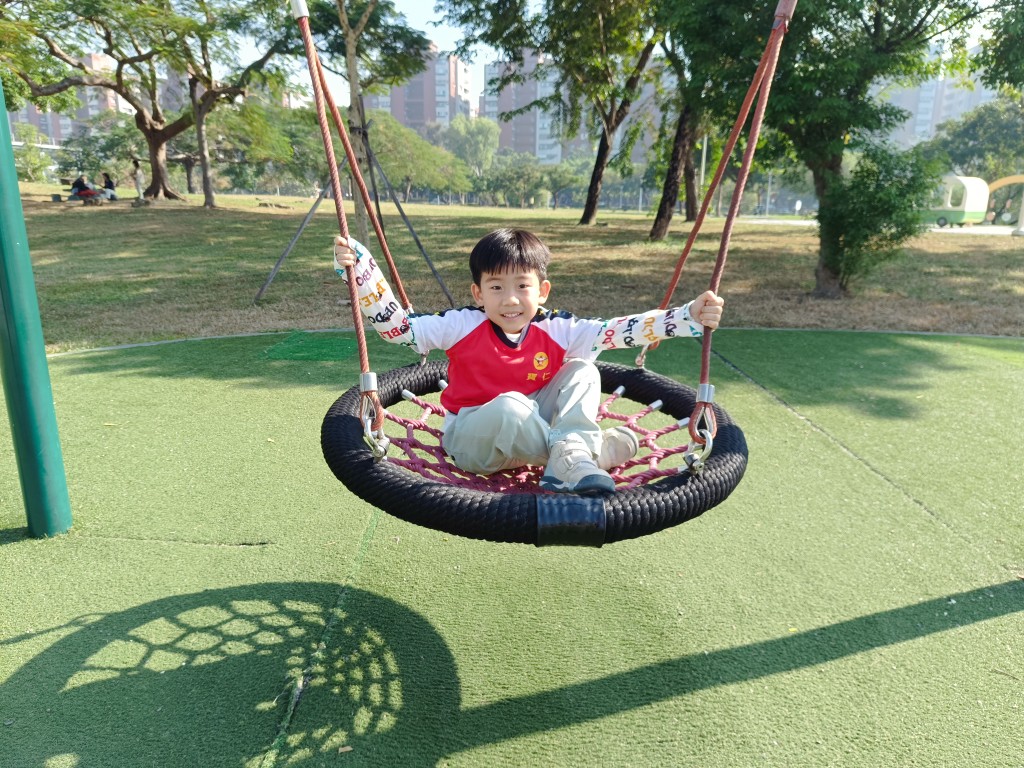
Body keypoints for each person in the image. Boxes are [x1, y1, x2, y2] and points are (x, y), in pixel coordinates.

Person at [332, 228, 724, 494]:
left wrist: (687, 316)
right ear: (478, 293)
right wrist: (361, 272)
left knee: (584, 370)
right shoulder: (460, 324)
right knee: (510, 406)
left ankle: (571, 454)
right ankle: (589, 455)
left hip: (535, 427)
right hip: (473, 439)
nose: (510, 299)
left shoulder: (558, 328)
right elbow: (400, 330)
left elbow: (618, 331)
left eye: (522, 286)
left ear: (542, 290)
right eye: (496, 287)